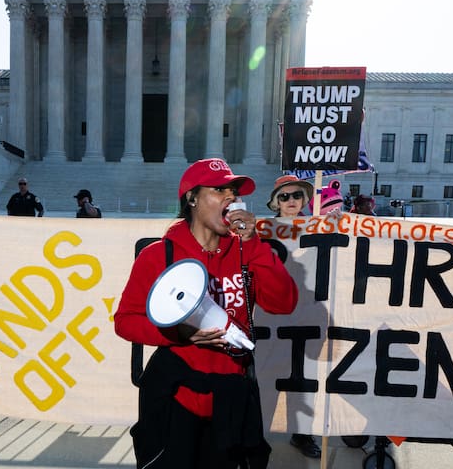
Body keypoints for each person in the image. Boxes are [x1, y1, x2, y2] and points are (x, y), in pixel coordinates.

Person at [114, 158, 298, 469]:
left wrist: (253, 245)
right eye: (219, 190)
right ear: (192, 198)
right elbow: (125, 321)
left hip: (231, 398)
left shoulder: (248, 250)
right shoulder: (158, 255)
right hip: (176, 398)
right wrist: (179, 334)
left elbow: (284, 303)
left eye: (233, 191)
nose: (231, 197)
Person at [267, 175, 322, 460]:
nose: (291, 201)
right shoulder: (262, 230)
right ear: (275, 202)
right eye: (285, 196)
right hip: (270, 316)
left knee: (303, 378)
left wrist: (339, 224)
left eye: (297, 195)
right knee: (268, 375)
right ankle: (257, 431)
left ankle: (302, 434)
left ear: (305, 200)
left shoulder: (318, 228)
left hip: (306, 315)